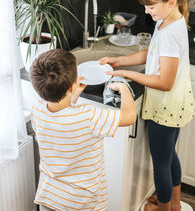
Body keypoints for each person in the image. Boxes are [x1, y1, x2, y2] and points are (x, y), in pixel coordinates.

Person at [100, 0, 195, 211]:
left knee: (161, 164)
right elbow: (150, 53)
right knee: (169, 157)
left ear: (171, 1)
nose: (147, 11)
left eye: (151, 6)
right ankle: (173, 203)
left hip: (165, 108)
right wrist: (118, 60)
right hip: (176, 105)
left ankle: (164, 208)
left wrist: (126, 74)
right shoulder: (168, 20)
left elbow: (165, 82)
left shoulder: (171, 33)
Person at [30, 49, 136, 211]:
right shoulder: (89, 116)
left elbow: (60, 117)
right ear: (71, 86)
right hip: (82, 201)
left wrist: (74, 92)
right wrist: (124, 88)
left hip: (50, 197)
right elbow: (129, 116)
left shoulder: (37, 109)